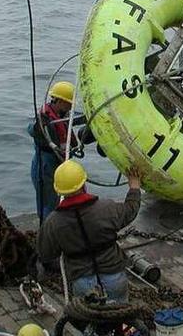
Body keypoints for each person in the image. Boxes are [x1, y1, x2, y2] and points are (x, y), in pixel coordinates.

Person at [37, 160, 143, 304]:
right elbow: (130, 211)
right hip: (114, 277)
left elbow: (46, 254)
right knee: (119, 316)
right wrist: (134, 187)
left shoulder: (53, 223)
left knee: (88, 320)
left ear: (58, 190)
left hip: (82, 282)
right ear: (83, 184)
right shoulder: (106, 208)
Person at [28, 81, 75, 220]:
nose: (71, 106)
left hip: (58, 166)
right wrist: (38, 127)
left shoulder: (61, 117)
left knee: (58, 202)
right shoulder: (44, 119)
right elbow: (32, 129)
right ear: (59, 101)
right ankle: (47, 233)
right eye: (68, 103)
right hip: (45, 168)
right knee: (48, 205)